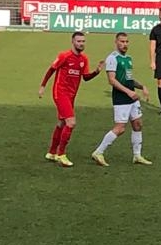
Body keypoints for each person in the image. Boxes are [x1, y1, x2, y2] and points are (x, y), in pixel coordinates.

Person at [38, 32, 104, 167]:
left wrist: (96, 72)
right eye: (79, 41)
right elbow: (51, 70)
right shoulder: (64, 56)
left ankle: (51, 152)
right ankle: (61, 154)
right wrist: (43, 86)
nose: (81, 44)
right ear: (73, 42)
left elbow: (85, 77)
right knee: (71, 122)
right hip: (60, 93)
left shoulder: (84, 59)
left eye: (83, 41)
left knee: (62, 123)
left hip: (71, 96)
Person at [90, 33, 152, 167]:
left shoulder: (128, 59)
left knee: (138, 124)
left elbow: (129, 79)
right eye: (122, 42)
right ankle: (98, 152)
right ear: (116, 42)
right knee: (120, 128)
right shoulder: (112, 58)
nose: (125, 44)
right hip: (121, 98)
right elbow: (112, 80)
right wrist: (128, 92)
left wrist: (142, 86)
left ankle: (137, 155)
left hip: (132, 98)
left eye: (126, 42)